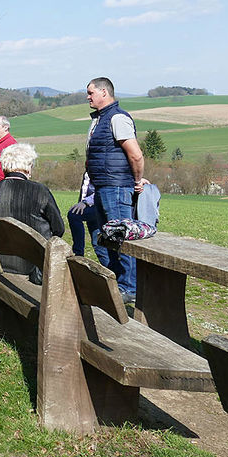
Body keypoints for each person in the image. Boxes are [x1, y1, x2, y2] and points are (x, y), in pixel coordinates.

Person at [85, 76, 146, 304]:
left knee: (121, 238)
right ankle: (116, 283)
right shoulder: (101, 119)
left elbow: (135, 154)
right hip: (102, 187)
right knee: (105, 238)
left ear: (104, 92)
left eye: (91, 93)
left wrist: (137, 179)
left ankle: (129, 288)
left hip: (117, 187)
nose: (88, 97)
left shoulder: (117, 118)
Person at [0, 143, 65, 284]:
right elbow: (59, 229)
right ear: (29, 166)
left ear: (4, 165)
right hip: (34, 270)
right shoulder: (41, 192)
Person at [68, 172, 99, 257]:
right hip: (90, 205)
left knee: (73, 215)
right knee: (98, 246)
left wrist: (85, 202)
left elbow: (102, 188)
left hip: (96, 205)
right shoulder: (90, 165)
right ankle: (111, 269)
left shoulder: (98, 164)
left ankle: (78, 253)